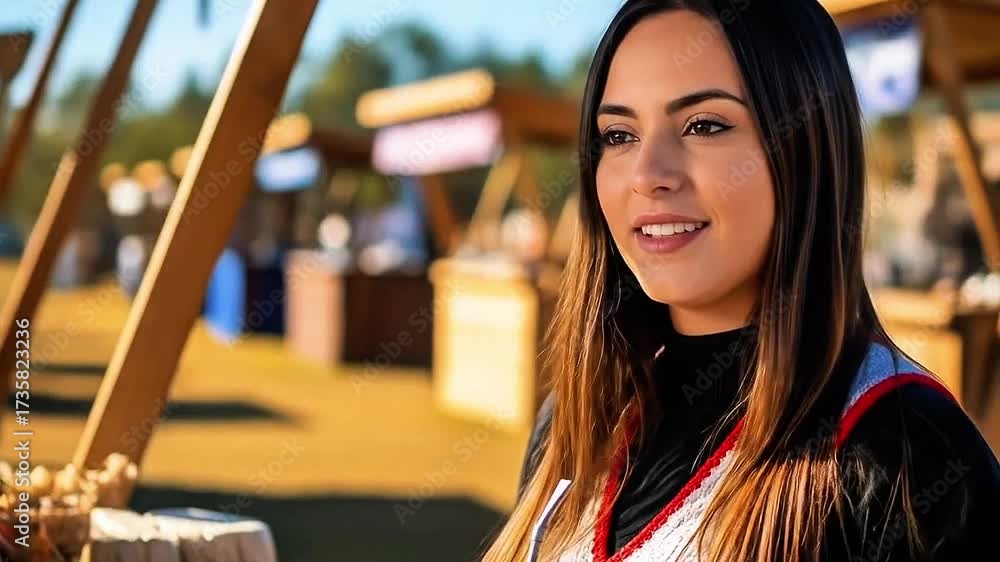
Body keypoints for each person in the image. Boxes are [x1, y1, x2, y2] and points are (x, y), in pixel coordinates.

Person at [479, 1, 1000, 561]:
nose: (648, 175)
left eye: (704, 125)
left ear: (803, 145)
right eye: (619, 134)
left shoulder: (910, 451)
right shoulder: (575, 421)